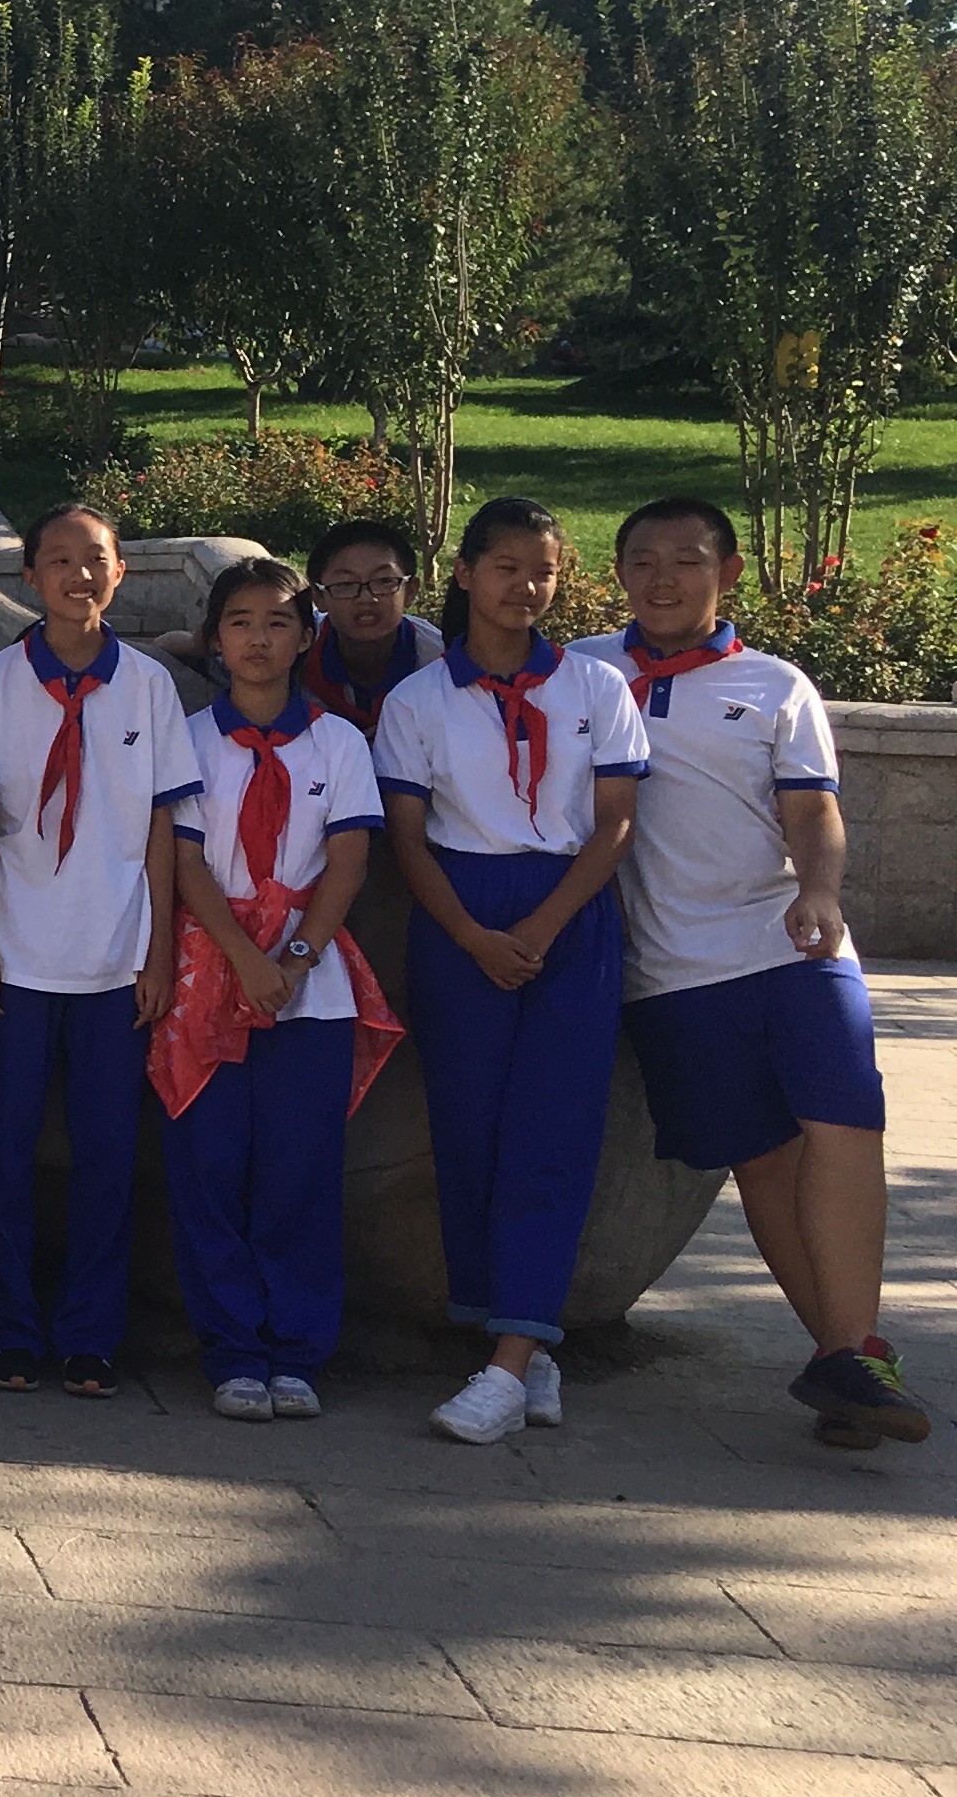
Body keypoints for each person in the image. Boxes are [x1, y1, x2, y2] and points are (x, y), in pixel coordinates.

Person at [578, 497, 922, 1449]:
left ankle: (853, 1353)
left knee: (846, 1125)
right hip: (671, 972)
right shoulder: (582, 674)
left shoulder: (776, 685)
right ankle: (849, 1362)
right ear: (619, 574)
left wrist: (821, 892)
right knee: (762, 1159)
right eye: (643, 561)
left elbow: (811, 809)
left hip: (794, 945)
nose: (663, 579)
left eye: (686, 560)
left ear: (727, 573)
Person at [375, 498, 646, 1447]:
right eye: (507, 567)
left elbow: (615, 822)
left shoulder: (595, 687)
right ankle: (517, 1338)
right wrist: (474, 935)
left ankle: (507, 1364)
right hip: (460, 919)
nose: (526, 587)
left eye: (544, 571)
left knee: (553, 1132)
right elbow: (407, 840)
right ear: (465, 573)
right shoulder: (418, 701)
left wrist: (541, 924)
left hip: (568, 912)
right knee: (469, 1133)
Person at [150, 559, 402, 1421]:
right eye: (241, 622)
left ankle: (297, 1351)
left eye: (278, 623)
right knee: (209, 1166)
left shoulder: (338, 743)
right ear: (215, 639)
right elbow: (185, 860)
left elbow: (348, 861)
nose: (259, 639)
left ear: (305, 638)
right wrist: (244, 960)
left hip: (309, 985)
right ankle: (232, 1350)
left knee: (301, 1171)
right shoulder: (187, 739)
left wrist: (294, 957)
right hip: (209, 973)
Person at [0, 506, 197, 1399]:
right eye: (57, 559)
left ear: (120, 571)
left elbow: (164, 824)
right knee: (5, 1152)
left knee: (107, 1158)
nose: (78, 575)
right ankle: (7, 1329)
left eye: (94, 558)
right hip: (16, 953)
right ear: (30, 576)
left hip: (114, 956)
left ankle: (91, 1335)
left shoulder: (149, 686)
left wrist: (160, 950)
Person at [302, 519, 440, 738]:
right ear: (318, 597)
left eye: (384, 581)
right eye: (345, 584)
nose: (366, 598)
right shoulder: (298, 651)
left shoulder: (438, 661)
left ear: (411, 591)